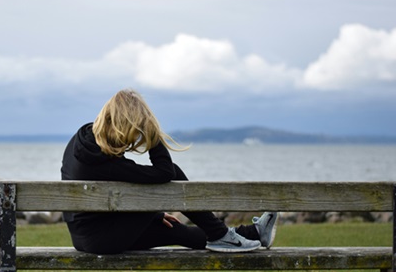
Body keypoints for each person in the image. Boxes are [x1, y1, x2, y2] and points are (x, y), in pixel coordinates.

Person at [61, 89, 277, 255]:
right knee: (174, 172)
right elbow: (165, 172)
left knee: (177, 230)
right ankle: (221, 234)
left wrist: (151, 215)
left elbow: (127, 186)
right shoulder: (104, 163)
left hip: (88, 235)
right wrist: (152, 133)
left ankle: (254, 234)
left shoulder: (84, 140)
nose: (133, 140)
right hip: (103, 240)